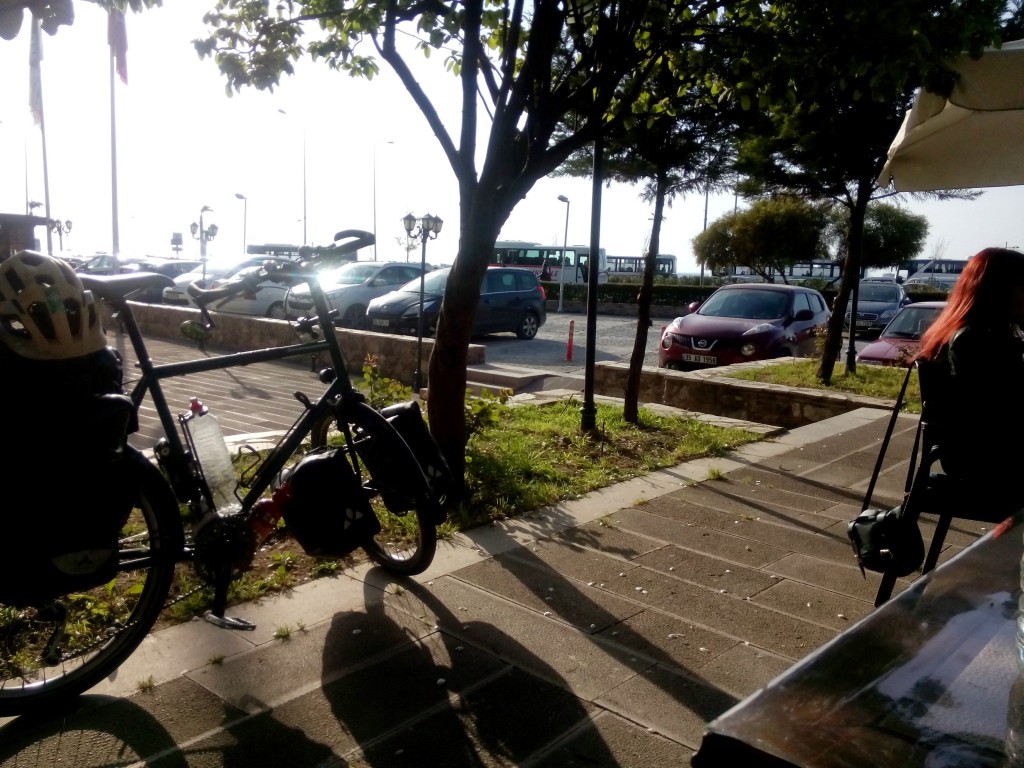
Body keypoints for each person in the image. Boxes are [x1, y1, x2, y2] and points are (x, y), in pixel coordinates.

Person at [914, 247, 1024, 497]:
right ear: (1003, 290)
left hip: (979, 455)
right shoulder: (976, 341)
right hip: (986, 463)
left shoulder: (983, 335)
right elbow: (1000, 412)